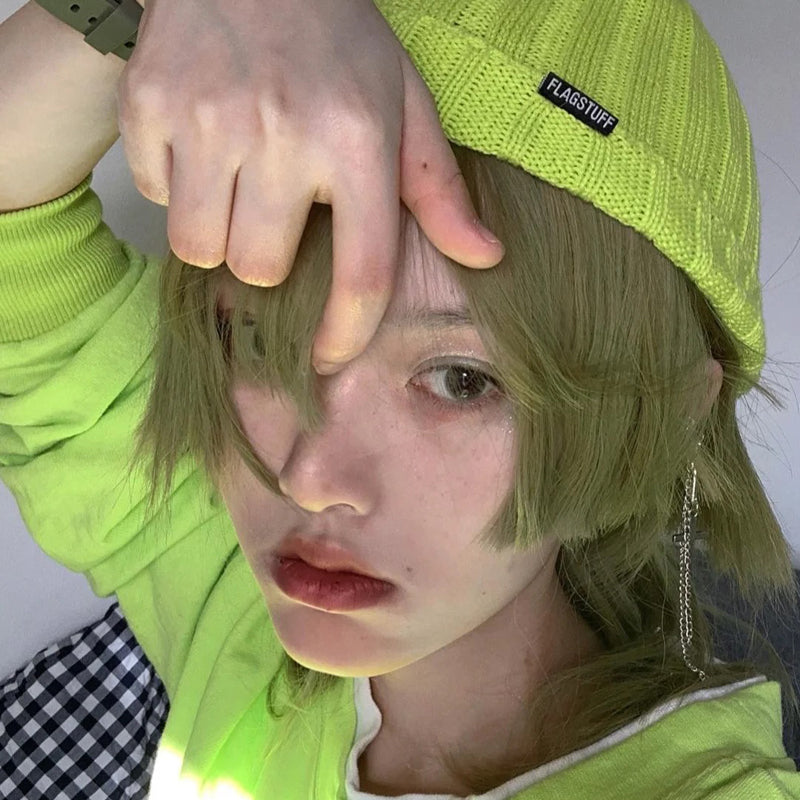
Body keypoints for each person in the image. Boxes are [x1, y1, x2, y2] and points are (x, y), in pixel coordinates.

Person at [1, 1, 799, 799]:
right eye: (258, 342)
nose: (309, 478)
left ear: (663, 419)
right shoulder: (225, 590)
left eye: (460, 380)